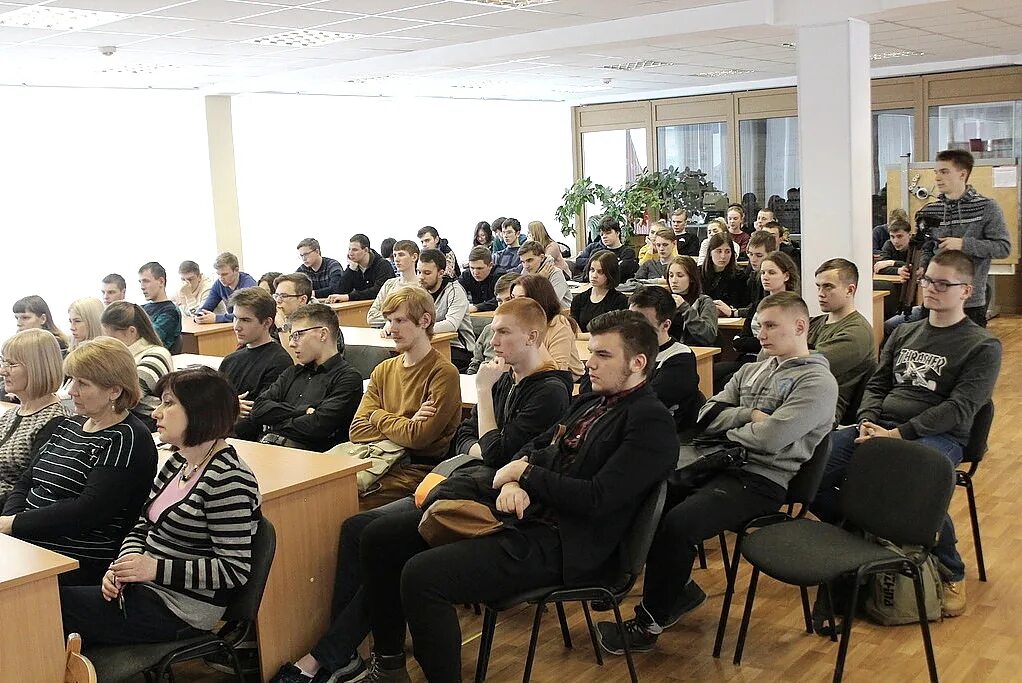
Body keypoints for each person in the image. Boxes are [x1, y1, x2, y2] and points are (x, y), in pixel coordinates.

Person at [356, 310, 678, 681]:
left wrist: (524, 475)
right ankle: (390, 665)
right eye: (590, 352)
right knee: (378, 537)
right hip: (525, 514)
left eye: (603, 355)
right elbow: (533, 449)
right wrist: (512, 480)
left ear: (638, 363)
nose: (589, 363)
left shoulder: (651, 422)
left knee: (422, 576)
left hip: (567, 543)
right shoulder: (591, 401)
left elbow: (596, 499)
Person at [268, 297, 573, 683]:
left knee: (384, 543)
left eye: (501, 331)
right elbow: (463, 438)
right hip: (465, 483)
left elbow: (488, 451)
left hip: (484, 501)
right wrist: (477, 438)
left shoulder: (543, 390)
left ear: (531, 337)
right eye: (492, 329)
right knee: (360, 530)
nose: (489, 338)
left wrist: (481, 399)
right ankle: (367, 655)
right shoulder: (501, 378)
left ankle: (350, 655)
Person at [596, 292, 837, 656]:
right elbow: (706, 415)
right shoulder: (751, 368)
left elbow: (772, 440)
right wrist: (748, 417)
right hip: (719, 461)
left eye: (771, 325)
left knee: (677, 525)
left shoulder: (817, 383)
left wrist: (735, 426)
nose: (761, 333)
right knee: (645, 495)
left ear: (800, 327)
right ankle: (673, 589)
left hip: (762, 480)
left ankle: (649, 623)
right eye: (759, 324)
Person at [813, 251, 1002, 618]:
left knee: (911, 478)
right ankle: (861, 534)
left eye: (942, 284)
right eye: (928, 279)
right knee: (811, 469)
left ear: (966, 290)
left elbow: (960, 409)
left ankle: (951, 569)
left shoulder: (982, 346)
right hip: (879, 425)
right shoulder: (904, 331)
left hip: (939, 436)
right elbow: (878, 383)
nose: (930, 288)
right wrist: (868, 420)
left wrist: (899, 434)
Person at [60, 366, 261, 646]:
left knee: (43, 610)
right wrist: (121, 568)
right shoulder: (178, 462)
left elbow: (233, 570)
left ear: (199, 411)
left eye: (168, 404)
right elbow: (143, 525)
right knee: (39, 603)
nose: (155, 413)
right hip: (146, 589)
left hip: (180, 607)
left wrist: (153, 569)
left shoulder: (229, 479)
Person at [0, 337, 158, 585]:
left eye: (82, 384)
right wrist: (10, 524)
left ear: (114, 391)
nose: (71, 390)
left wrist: (15, 524)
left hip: (77, 555)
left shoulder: (128, 438)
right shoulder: (69, 425)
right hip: (32, 538)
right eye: (72, 380)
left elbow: (88, 511)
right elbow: (26, 481)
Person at [347, 287, 462, 510]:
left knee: (346, 500)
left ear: (425, 321)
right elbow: (357, 430)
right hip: (377, 459)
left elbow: (418, 438)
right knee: (329, 489)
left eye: (400, 320)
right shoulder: (383, 370)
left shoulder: (443, 373)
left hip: (414, 469)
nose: (391, 329)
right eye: (389, 321)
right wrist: (405, 423)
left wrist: (377, 415)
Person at [909, 149, 1011, 327]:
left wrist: (964, 244)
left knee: (967, 352)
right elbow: (927, 247)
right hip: (933, 297)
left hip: (969, 301)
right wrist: (923, 266)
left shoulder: (987, 208)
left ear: (962, 174)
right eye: (936, 172)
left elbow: (1002, 248)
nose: (937, 178)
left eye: (944, 171)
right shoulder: (930, 210)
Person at [248, 304, 363, 451]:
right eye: (291, 336)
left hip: (309, 459)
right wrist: (302, 411)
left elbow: (316, 426)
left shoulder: (348, 378)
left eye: (298, 335)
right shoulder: (292, 373)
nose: (291, 343)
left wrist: (275, 421)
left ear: (322, 334)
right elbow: (257, 410)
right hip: (268, 447)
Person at [0, 330, 72, 509]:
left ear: (36, 367)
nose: (3, 371)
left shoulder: (55, 421)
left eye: (12, 364)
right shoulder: (13, 413)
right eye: (4, 362)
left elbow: (32, 487)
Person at [218, 288, 294, 441]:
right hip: (219, 432)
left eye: (245, 320)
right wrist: (229, 408)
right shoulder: (230, 360)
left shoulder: (279, 362)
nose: (236, 326)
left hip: (247, 439)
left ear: (267, 323)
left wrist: (224, 408)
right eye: (235, 318)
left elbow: (258, 415)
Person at [808, 259, 877, 423]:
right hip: (794, 396)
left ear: (850, 290)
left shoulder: (857, 332)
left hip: (822, 410)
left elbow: (806, 366)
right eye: (818, 286)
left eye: (828, 286)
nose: (820, 293)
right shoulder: (814, 322)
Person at [627, 286, 702, 431]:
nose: (634, 329)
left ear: (665, 325)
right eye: (630, 320)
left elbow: (646, 402)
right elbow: (592, 388)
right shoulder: (623, 350)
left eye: (643, 324)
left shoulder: (680, 359)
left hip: (656, 434)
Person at [100, 302, 173, 431]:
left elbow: (129, 395)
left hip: (149, 423)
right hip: (129, 421)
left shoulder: (156, 355)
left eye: (111, 337)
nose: (107, 342)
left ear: (131, 331)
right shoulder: (122, 356)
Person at [511, 275, 585, 381]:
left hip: (570, 383)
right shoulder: (517, 324)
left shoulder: (559, 323)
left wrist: (533, 335)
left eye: (522, 299)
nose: (514, 305)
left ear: (538, 300)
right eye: (513, 298)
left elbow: (558, 373)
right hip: (532, 380)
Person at [416, 249, 476, 372]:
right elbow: (405, 314)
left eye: (427, 273)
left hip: (459, 348)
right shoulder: (419, 291)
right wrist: (389, 325)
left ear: (441, 273)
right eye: (418, 272)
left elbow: (451, 324)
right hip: (430, 344)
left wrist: (419, 330)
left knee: (424, 365)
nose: (421, 277)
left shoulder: (455, 290)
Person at [466, 273, 517, 375]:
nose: (503, 306)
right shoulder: (488, 329)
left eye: (508, 300)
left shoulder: (525, 334)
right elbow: (475, 362)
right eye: (499, 301)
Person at [570, 250, 629, 333]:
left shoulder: (619, 300)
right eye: (592, 270)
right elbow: (573, 328)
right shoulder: (579, 299)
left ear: (610, 274)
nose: (594, 275)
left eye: (600, 272)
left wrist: (580, 336)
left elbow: (614, 333)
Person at [667, 255, 718, 347]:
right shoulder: (664, 300)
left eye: (680, 275)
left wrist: (685, 308)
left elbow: (709, 336)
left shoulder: (704, 302)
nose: (673, 280)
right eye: (671, 275)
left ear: (691, 278)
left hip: (693, 351)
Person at [328, 234, 394, 303]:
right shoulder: (353, 267)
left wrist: (349, 297)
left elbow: (378, 291)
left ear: (365, 250)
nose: (350, 253)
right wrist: (351, 269)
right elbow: (340, 292)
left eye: (355, 250)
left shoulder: (383, 265)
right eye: (349, 249)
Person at [194, 252, 257, 324]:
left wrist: (216, 318)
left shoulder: (248, 285)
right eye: (218, 274)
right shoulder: (218, 284)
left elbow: (244, 315)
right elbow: (206, 307)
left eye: (225, 274)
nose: (221, 278)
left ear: (236, 270)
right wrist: (199, 316)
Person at [368, 241, 420, 327]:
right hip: (386, 333)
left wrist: (391, 318)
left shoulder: (422, 285)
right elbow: (372, 316)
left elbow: (417, 317)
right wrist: (395, 319)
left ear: (414, 257)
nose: (396, 259)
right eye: (395, 255)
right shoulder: (389, 284)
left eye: (401, 255)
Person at [574, 216, 638, 281]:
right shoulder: (596, 252)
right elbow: (586, 274)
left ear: (617, 233)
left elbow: (618, 275)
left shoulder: (628, 252)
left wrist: (599, 265)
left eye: (608, 233)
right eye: (602, 234)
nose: (604, 236)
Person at [701, 233, 750, 318]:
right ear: (710, 253)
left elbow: (743, 304)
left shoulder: (740, 276)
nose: (723, 256)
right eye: (718, 251)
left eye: (727, 251)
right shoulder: (698, 273)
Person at [733, 230, 779, 318]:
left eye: (759, 255)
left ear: (772, 254)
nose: (753, 259)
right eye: (750, 254)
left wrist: (735, 312)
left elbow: (763, 308)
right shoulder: (753, 273)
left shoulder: (776, 277)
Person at [138, 261, 182, 351]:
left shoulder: (170, 311)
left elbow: (149, 339)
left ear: (161, 281)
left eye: (146, 281)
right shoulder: (141, 308)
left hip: (154, 358)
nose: (142, 286)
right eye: (140, 282)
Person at [519, 239, 571, 308]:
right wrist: (538, 277)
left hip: (560, 314)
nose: (526, 266)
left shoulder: (556, 273)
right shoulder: (525, 271)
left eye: (529, 260)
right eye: (523, 262)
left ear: (542, 257)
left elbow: (552, 303)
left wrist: (539, 281)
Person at [459, 246, 500, 313]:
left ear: (490, 265)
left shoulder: (499, 276)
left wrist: (476, 307)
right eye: (472, 268)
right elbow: (455, 292)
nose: (475, 272)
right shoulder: (466, 275)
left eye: (480, 268)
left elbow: (502, 299)